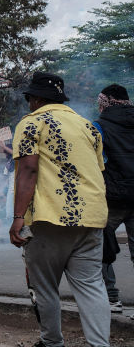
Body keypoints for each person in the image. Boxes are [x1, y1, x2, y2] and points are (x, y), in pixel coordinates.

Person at [9, 72, 109, 347]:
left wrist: (18, 217)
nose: (29, 104)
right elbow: (99, 170)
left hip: (49, 217)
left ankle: (52, 342)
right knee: (91, 286)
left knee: (44, 286)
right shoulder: (88, 126)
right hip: (91, 216)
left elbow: (28, 169)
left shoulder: (31, 123)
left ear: (37, 99)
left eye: (30, 99)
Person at [93, 83, 134, 315]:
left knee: (101, 246)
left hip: (113, 198)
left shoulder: (98, 126)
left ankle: (111, 298)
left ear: (105, 102)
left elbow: (95, 161)